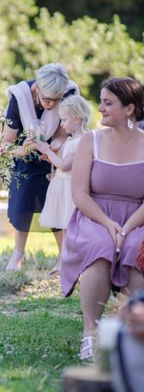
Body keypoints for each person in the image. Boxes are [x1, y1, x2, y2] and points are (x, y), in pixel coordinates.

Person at [61, 77, 144, 360]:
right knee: (100, 248)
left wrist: (128, 227)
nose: (100, 109)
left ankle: (119, 330)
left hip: (137, 218)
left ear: (129, 108)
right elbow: (80, 194)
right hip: (94, 217)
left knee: (137, 249)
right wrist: (109, 225)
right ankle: (90, 333)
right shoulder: (90, 140)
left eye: (108, 103)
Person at [2, 63, 79, 271]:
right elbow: (5, 144)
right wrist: (23, 150)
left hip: (55, 158)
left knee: (56, 197)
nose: (52, 104)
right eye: (47, 99)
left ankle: (64, 257)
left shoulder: (69, 93)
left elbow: (66, 134)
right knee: (23, 197)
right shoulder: (19, 97)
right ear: (37, 87)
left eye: (57, 99)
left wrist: (56, 148)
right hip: (24, 156)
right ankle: (18, 253)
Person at [31, 95, 91, 273]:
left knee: (73, 229)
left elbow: (66, 165)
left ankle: (76, 264)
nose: (62, 124)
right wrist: (55, 171)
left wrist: (48, 150)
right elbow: (63, 166)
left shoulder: (81, 141)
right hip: (63, 185)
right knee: (66, 228)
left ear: (76, 118)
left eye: (64, 120)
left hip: (71, 190)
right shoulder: (71, 141)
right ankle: (64, 263)